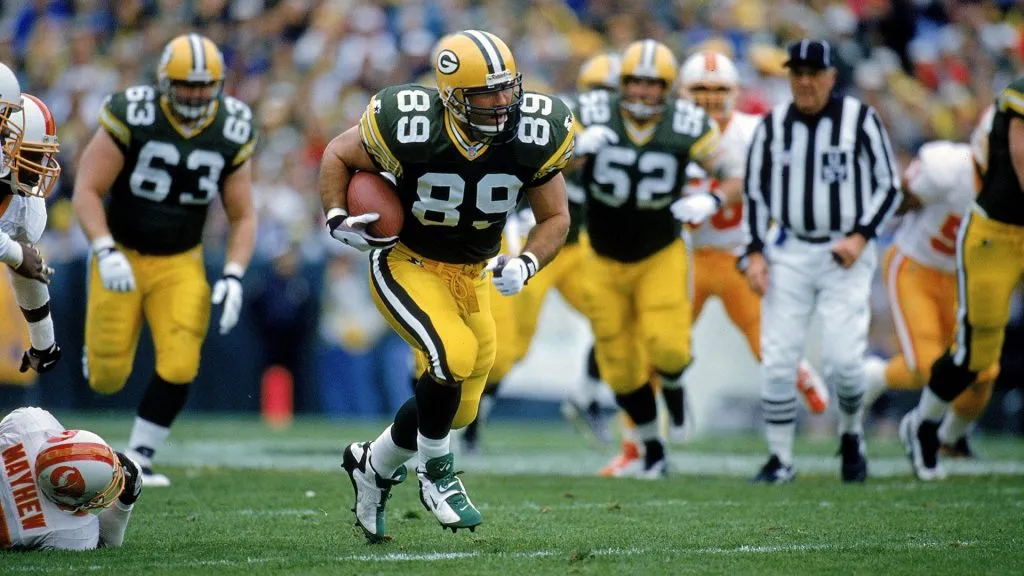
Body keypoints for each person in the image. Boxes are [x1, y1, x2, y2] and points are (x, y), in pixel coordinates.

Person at [319, 30, 573, 541]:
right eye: (487, 94)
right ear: (453, 96)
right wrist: (337, 217)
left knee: (461, 405)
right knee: (451, 357)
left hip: (473, 272)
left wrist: (526, 262)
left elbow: (556, 217)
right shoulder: (408, 123)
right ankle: (437, 474)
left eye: (507, 89)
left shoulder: (537, 130)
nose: (503, 103)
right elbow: (338, 155)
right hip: (408, 261)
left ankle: (372, 463)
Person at [597, 50, 831, 477]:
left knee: (766, 342)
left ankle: (795, 383)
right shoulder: (665, 130)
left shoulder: (754, 132)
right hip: (681, 256)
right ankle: (637, 446)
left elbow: (770, 182)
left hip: (739, 253)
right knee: (650, 353)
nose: (709, 98)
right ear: (679, 92)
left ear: (736, 93)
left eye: (719, 89)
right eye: (700, 89)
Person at [71, 34, 259, 487]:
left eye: (205, 85)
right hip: (122, 255)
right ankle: (95, 355)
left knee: (180, 362)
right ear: (163, 82)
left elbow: (243, 213)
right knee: (106, 377)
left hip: (180, 260)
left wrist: (233, 274)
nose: (195, 94)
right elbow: (87, 191)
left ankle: (141, 455)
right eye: (185, 84)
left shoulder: (231, 125)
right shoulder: (133, 114)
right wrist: (104, 248)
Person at [576, 39, 742, 478]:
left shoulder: (687, 123)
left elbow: (732, 176)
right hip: (601, 254)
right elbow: (540, 166)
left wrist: (713, 200)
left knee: (668, 348)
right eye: (635, 81)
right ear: (621, 83)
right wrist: (570, 151)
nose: (643, 92)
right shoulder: (589, 113)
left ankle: (673, 385)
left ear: (668, 89)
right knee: (621, 366)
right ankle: (652, 448)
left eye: (653, 84)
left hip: (659, 253)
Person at [740, 40, 902, 483]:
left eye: (814, 73)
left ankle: (851, 432)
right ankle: (780, 458)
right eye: (798, 73)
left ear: (831, 77)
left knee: (844, 365)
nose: (806, 81)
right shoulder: (771, 126)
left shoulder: (859, 121)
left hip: (844, 252)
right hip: (789, 249)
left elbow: (889, 187)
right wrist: (754, 252)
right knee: (777, 357)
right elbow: (754, 193)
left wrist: (860, 236)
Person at [899, 77, 1024, 481]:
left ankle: (952, 436)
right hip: (995, 236)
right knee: (975, 355)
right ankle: (924, 425)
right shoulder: (1017, 94)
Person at [864, 116, 998, 459]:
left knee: (983, 372)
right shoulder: (949, 168)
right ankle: (869, 377)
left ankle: (951, 438)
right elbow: (898, 202)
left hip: (963, 278)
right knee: (929, 367)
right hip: (915, 267)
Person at [0, 407, 142, 550]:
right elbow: (109, 543)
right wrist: (125, 505)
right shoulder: (69, 531)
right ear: (69, 493)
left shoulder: (31, 422)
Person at [0, 77, 62, 376]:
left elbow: (26, 266)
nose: (39, 170)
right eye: (33, 156)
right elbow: (18, 255)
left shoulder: (23, 205)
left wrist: (44, 344)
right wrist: (14, 253)